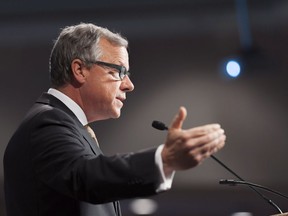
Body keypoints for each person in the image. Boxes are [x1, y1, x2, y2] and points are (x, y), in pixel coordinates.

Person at [3, 23, 226, 216]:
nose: (129, 85)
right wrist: (163, 159)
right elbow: (88, 177)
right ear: (80, 70)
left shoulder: (66, 125)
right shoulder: (47, 124)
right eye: (119, 71)